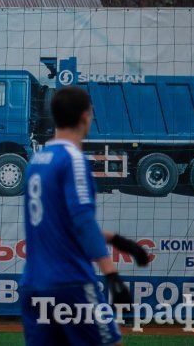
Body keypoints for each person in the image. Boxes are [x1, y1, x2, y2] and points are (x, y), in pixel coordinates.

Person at [20, 86, 151, 346]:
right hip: (70, 283)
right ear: (86, 116)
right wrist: (112, 275)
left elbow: (58, 224)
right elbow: (82, 220)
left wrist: (117, 240)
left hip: (33, 285)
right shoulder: (73, 159)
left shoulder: (37, 160)